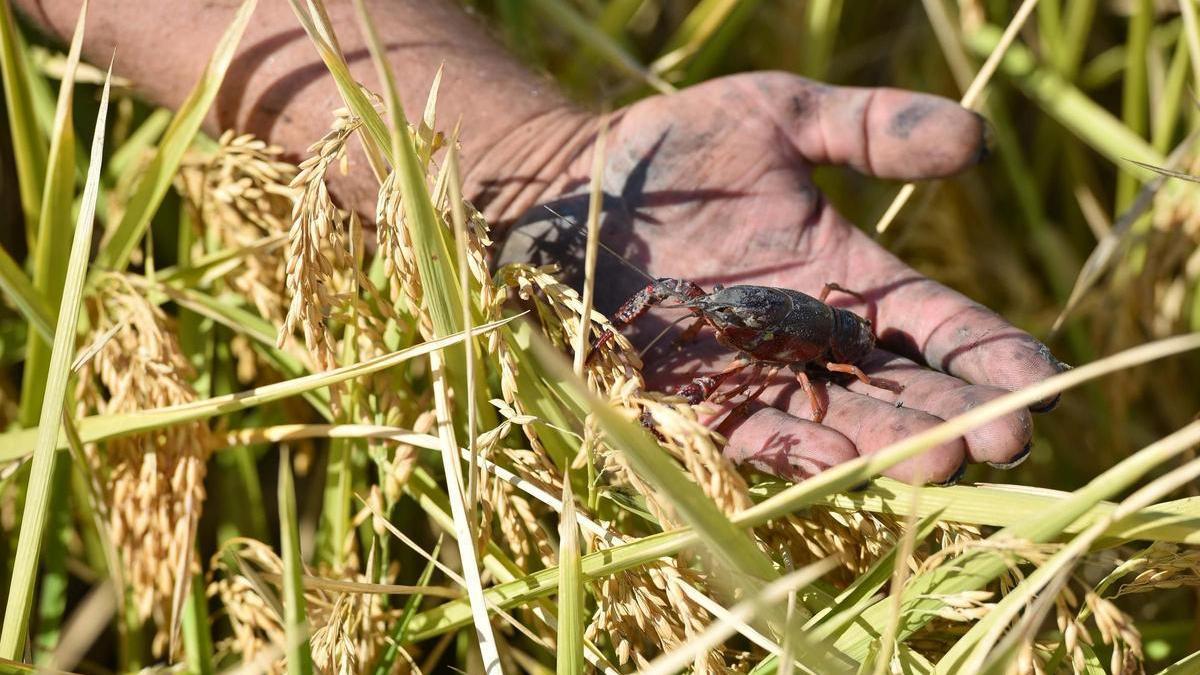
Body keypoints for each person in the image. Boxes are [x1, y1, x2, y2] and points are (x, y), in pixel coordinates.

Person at [14, 0, 1062, 484]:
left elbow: (790, 355)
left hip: (821, 331)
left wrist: (523, 153)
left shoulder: (824, 345)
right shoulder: (731, 310)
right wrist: (522, 163)